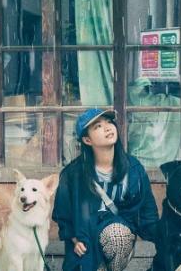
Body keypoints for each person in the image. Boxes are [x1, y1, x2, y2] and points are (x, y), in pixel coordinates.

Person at [53, 108, 159, 271]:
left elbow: (147, 211)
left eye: (109, 122)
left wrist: (163, 239)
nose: (107, 128)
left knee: (118, 235)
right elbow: (62, 212)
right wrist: (74, 239)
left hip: (119, 235)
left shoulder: (133, 168)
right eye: (98, 126)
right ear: (87, 140)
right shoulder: (73, 174)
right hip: (85, 239)